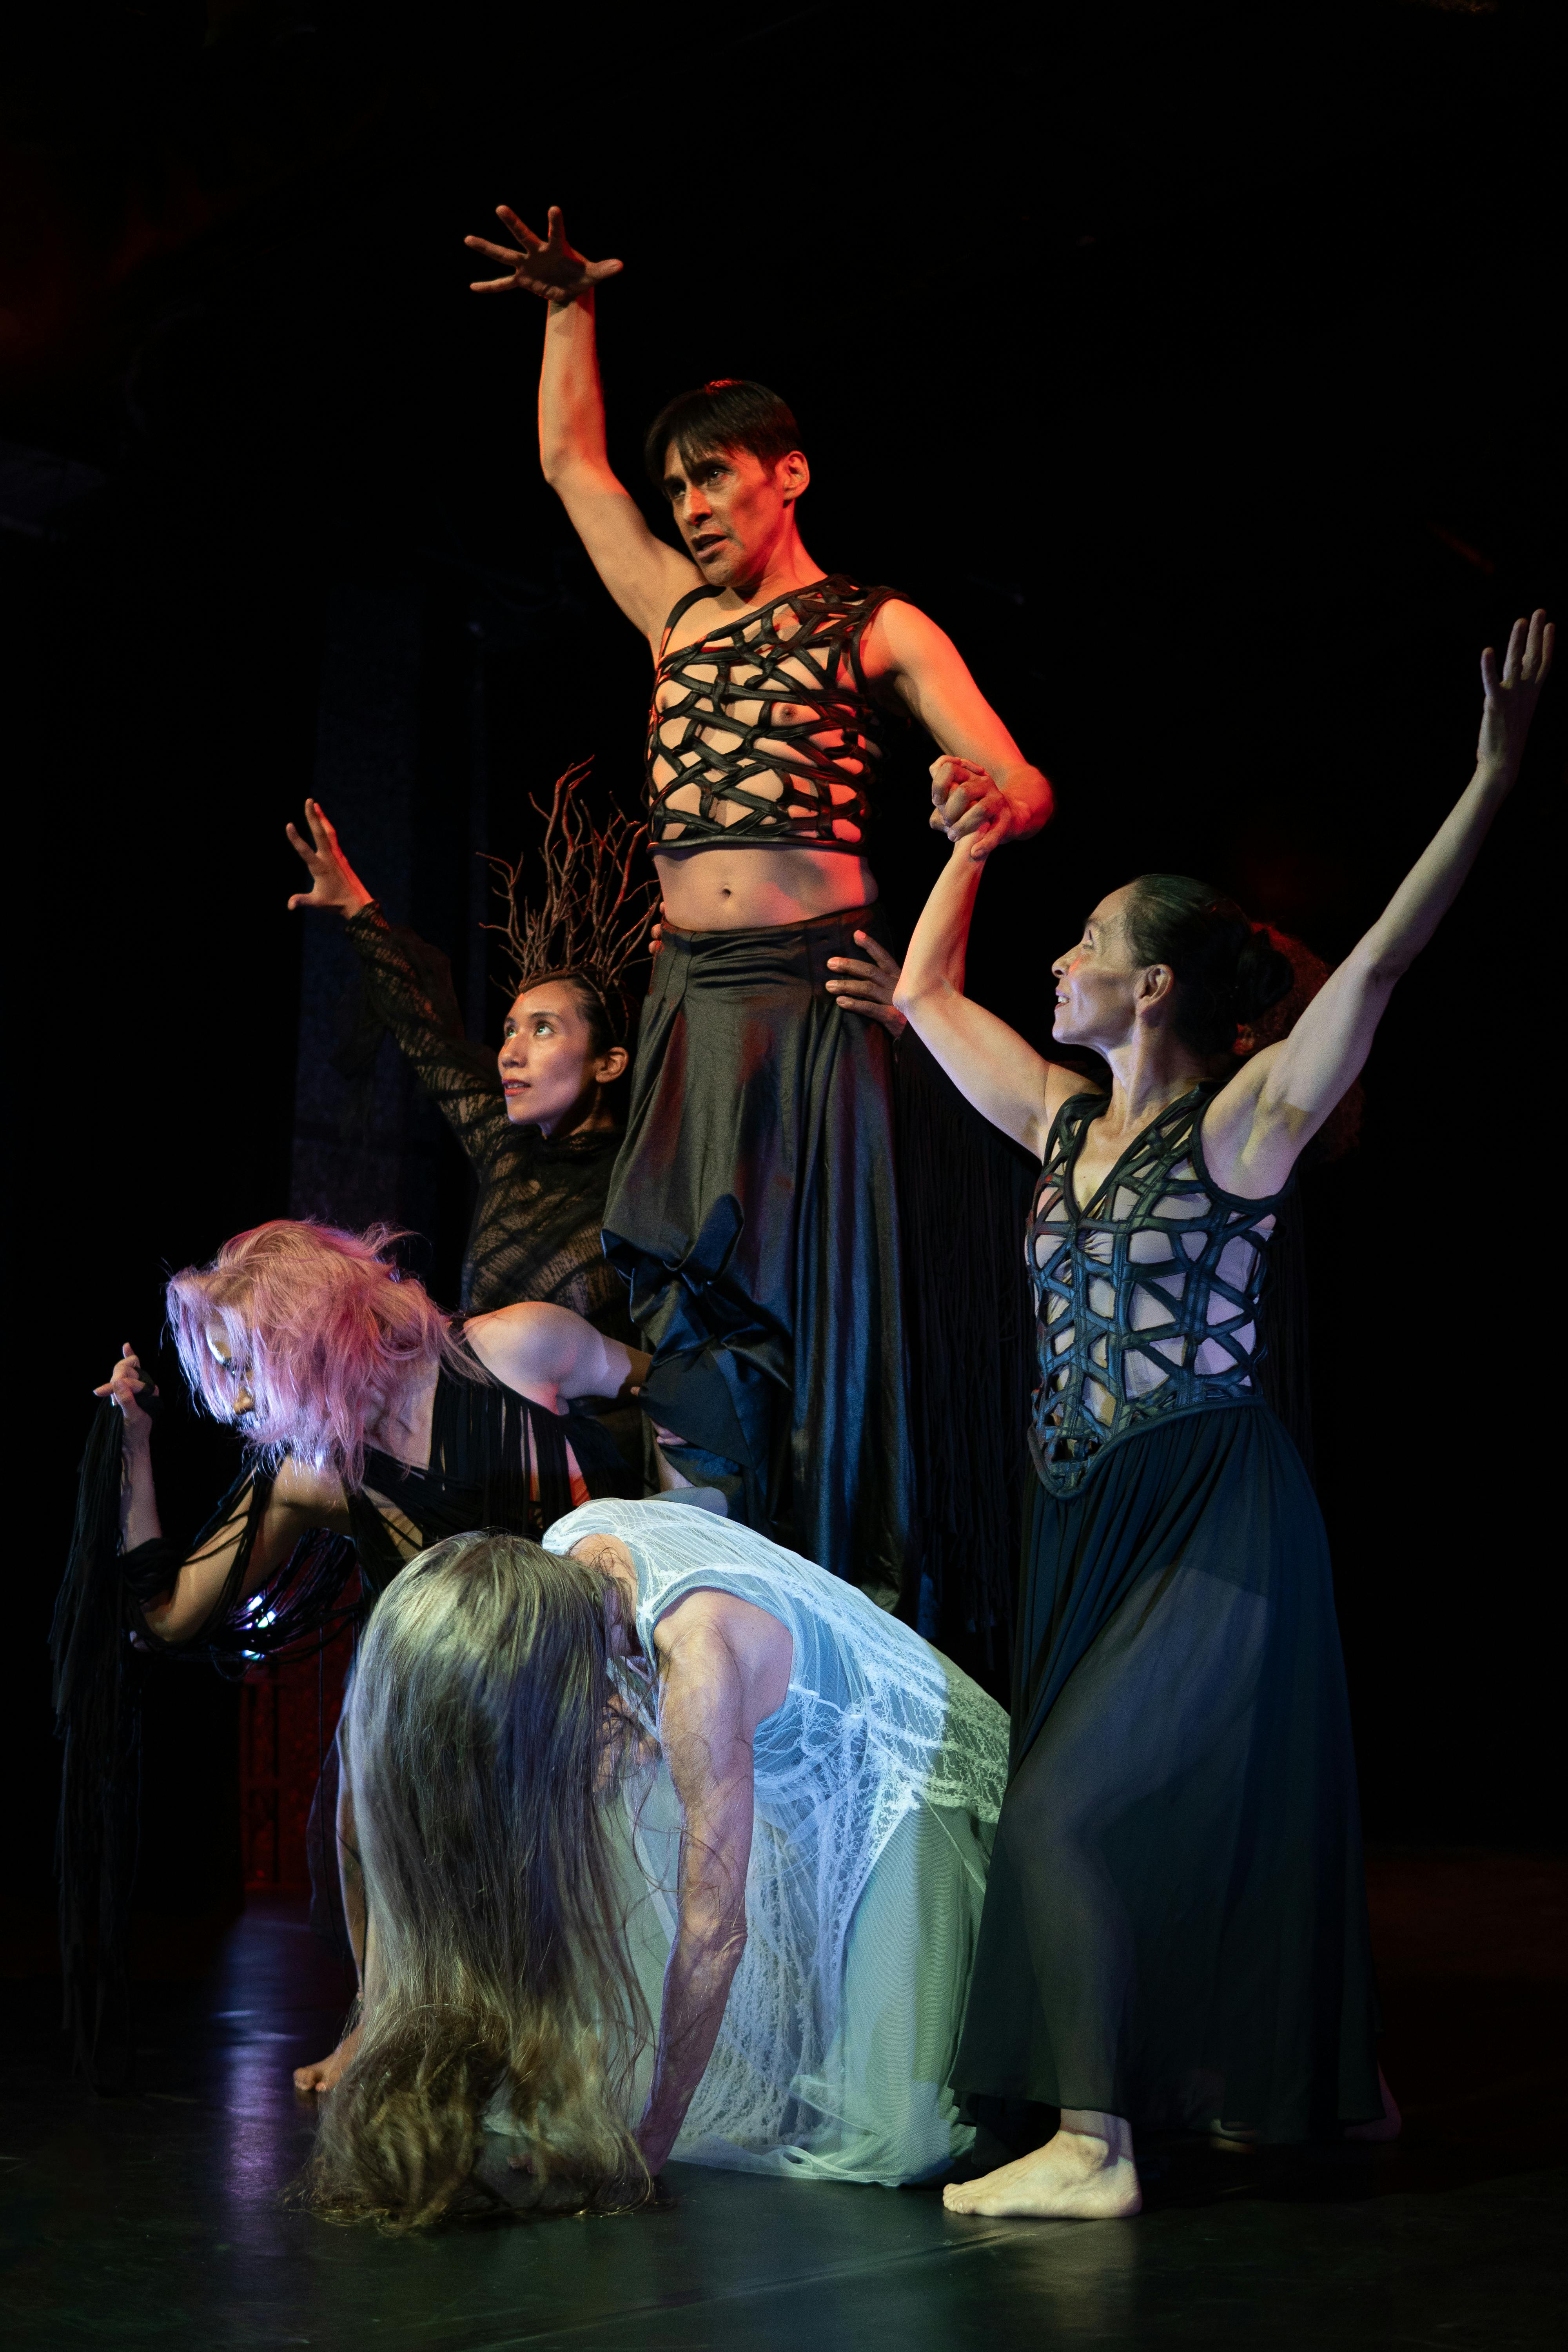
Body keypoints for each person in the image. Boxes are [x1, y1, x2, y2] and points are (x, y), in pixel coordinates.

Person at [887, 612, 1552, 2218]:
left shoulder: (1244, 1130)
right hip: (1084, 1513)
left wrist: (1489, 776)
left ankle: (1092, 2145)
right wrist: (969, 848)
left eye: (1089, 943)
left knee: (1062, 1815)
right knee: (1174, 1821)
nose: (1060, 961)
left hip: (1209, 1509)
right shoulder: (1055, 1122)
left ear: (1156, 985)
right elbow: (920, 994)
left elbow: (1382, 962)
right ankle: (1319, 2092)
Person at [460, 202, 1054, 1588]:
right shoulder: (670, 616)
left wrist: (986, 808)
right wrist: (570, 311)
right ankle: (698, 1578)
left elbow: (1021, 780)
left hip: (810, 988)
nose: (690, 509)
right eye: (676, 493)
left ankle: (829, 1588)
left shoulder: (875, 623)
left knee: (811, 1302)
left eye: (713, 480)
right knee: (687, 1292)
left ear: (788, 474)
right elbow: (567, 461)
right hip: (689, 996)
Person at [302, 1497, 1011, 2228]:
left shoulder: (698, 1658)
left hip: (900, 1768)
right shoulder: (568, 1556)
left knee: (900, 2136)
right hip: (768, 1749)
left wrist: (646, 2147)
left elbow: (714, 1933)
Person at [64, 1220, 646, 2087]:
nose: (231, 1399)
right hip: (447, 1708)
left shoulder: (517, 1347)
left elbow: (677, 1406)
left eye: (240, 1363)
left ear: (309, 1334)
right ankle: (383, 2022)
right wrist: (137, 1448)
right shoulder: (312, 1471)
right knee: (365, 1765)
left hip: (595, 1660)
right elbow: (174, 1614)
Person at [285, 768, 652, 1334]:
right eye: (509, 1030)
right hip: (481, 1421)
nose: (510, 1052)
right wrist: (358, 908)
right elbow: (423, 1037)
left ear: (611, 1062)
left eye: (544, 1029)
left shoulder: (648, 1177)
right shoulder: (508, 1150)